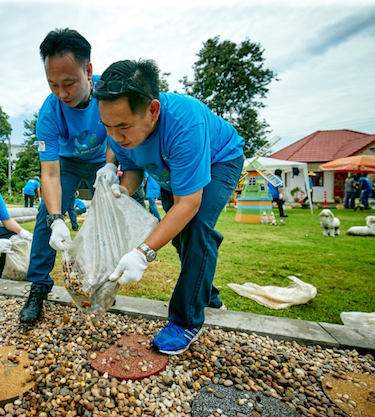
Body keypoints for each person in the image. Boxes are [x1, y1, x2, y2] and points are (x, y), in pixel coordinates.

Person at [93, 59, 244, 355]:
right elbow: (134, 167)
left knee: (197, 228)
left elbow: (188, 203)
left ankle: (185, 321)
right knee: (178, 236)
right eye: (107, 127)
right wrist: (119, 188)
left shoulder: (185, 123)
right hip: (169, 172)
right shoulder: (119, 132)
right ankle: (207, 293)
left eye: (123, 127)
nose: (116, 136)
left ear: (152, 110)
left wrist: (142, 253)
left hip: (219, 160)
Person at [19, 28, 117, 323]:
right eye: (53, 85)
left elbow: (118, 136)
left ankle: (110, 278)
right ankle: (38, 286)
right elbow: (49, 174)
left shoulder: (110, 93)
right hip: (68, 162)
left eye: (69, 83)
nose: (62, 94)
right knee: (43, 217)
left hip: (104, 158)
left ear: (88, 71)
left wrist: (111, 167)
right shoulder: (50, 113)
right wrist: (56, 218)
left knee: (123, 204)